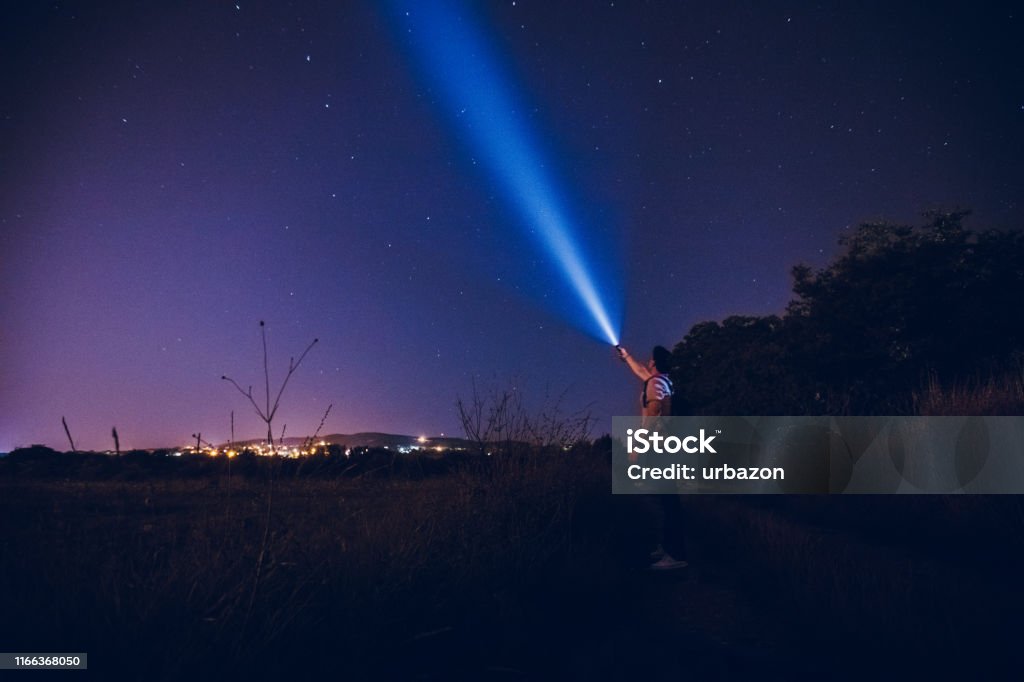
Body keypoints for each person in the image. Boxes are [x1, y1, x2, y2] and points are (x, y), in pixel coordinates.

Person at [616, 344, 689, 571]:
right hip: (666, 448)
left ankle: (671, 554)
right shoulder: (662, 381)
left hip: (657, 448)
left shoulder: (656, 383)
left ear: (655, 363)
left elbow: (655, 412)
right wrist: (627, 356)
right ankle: (667, 548)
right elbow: (642, 373)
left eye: (650, 360)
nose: (647, 362)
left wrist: (639, 447)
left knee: (657, 500)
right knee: (666, 498)